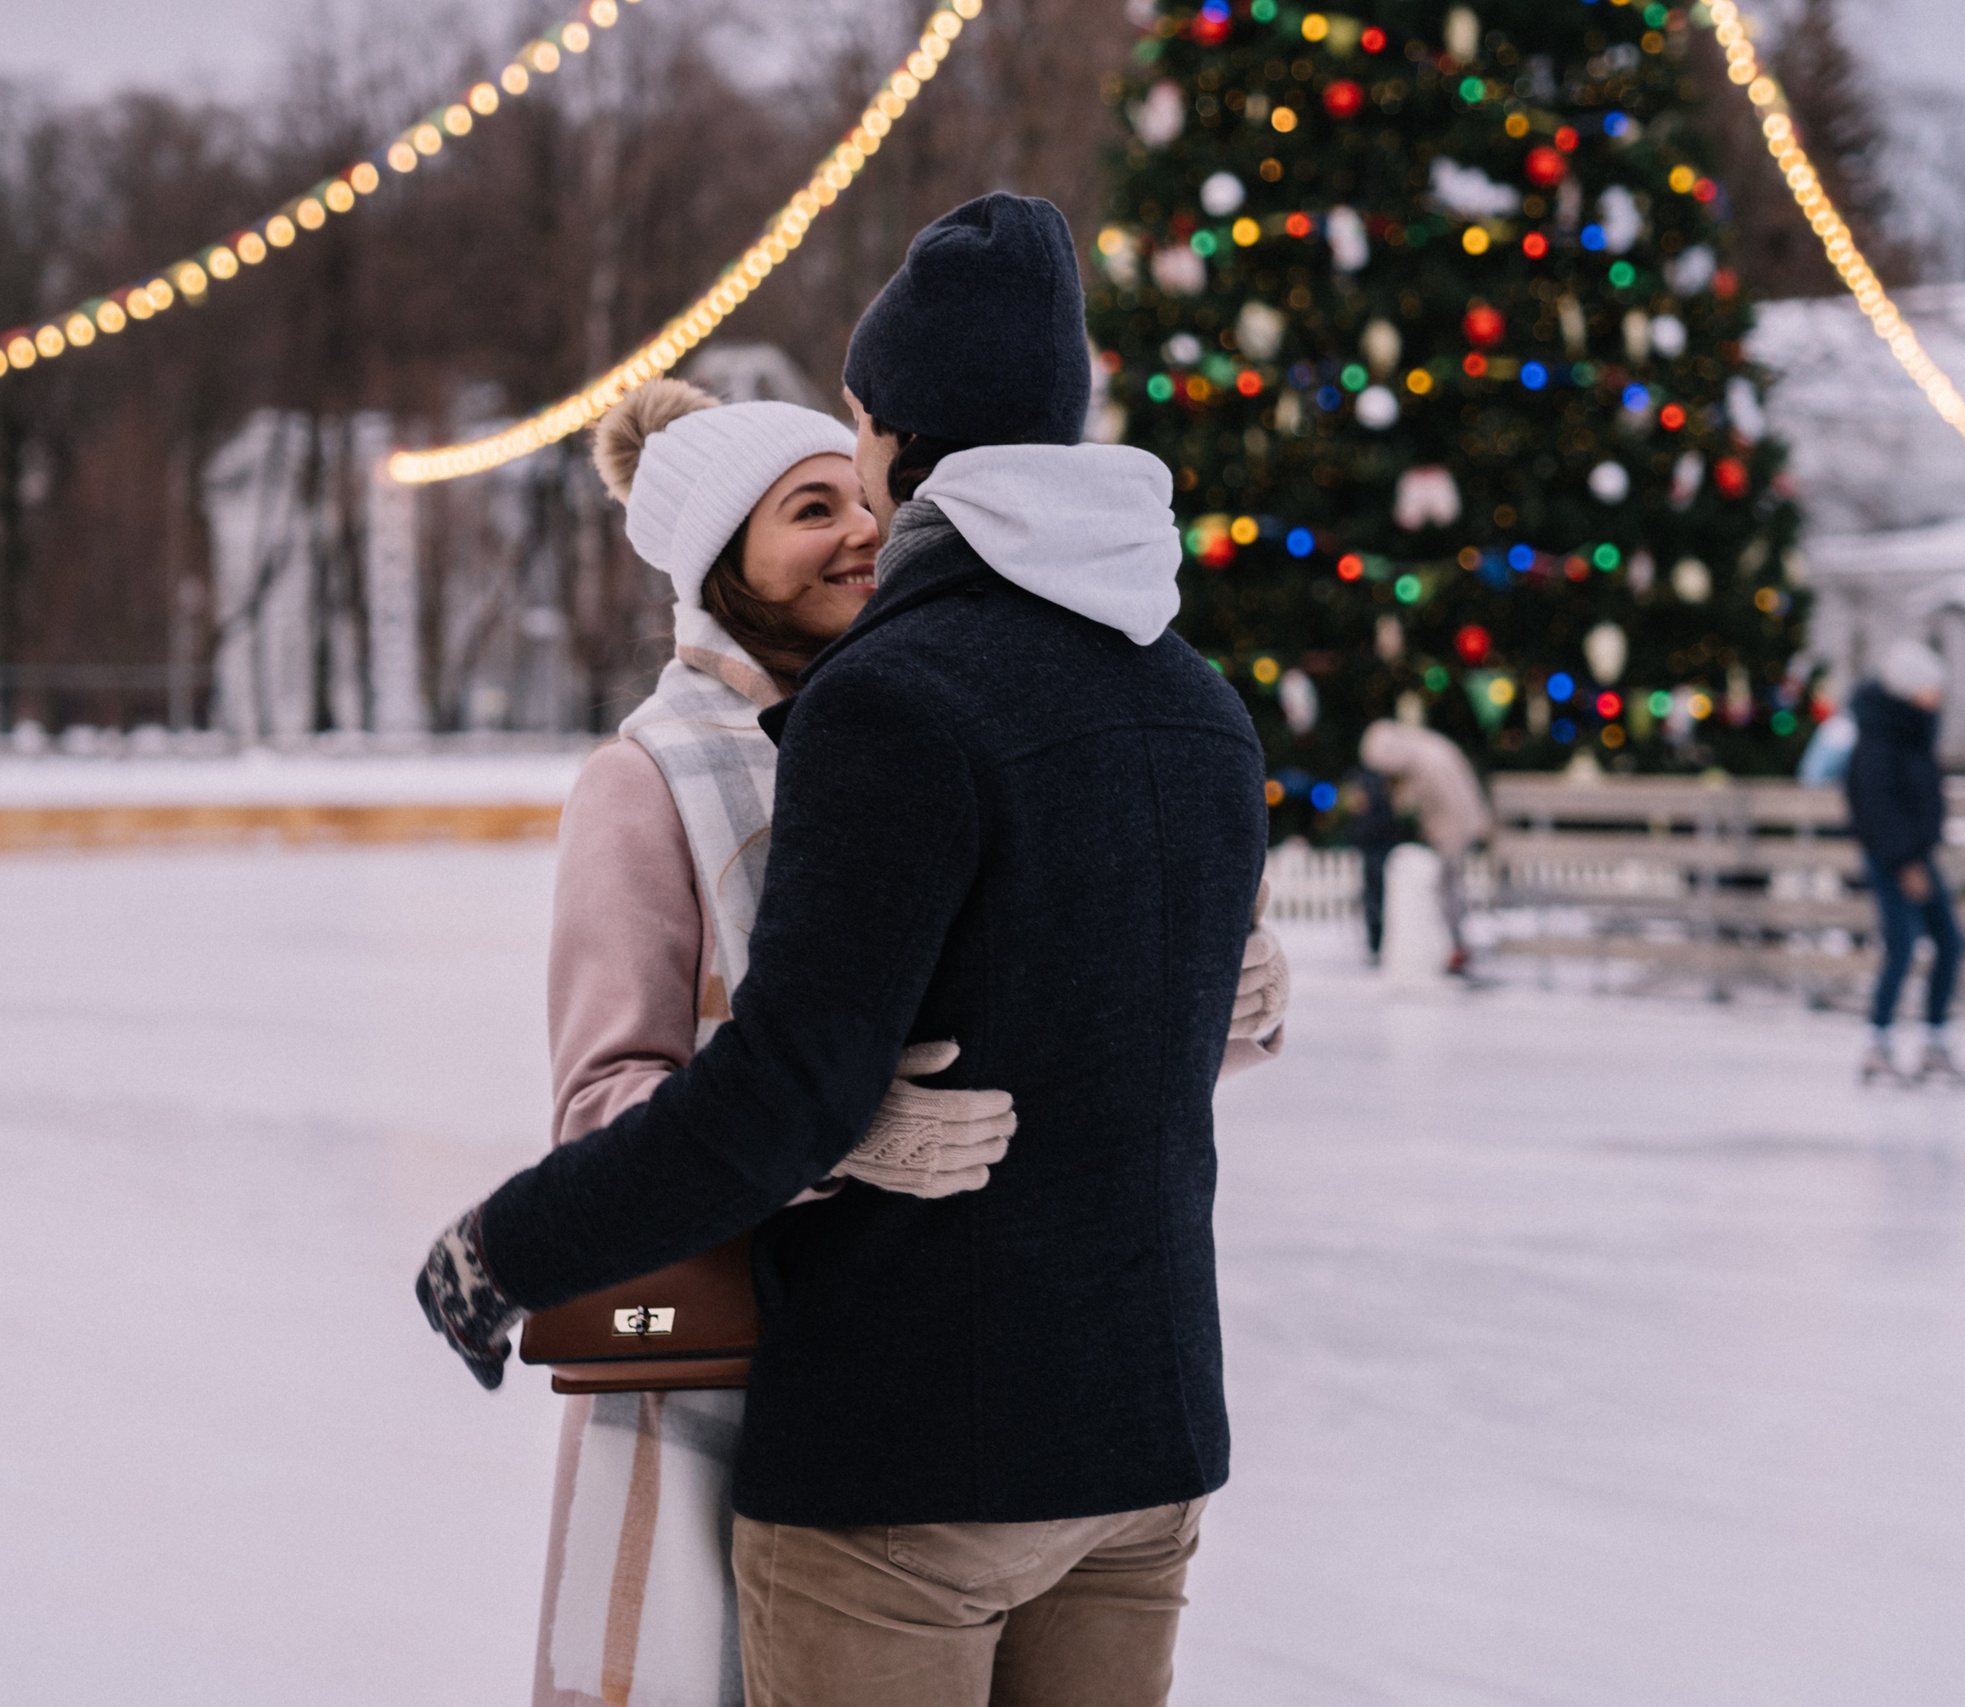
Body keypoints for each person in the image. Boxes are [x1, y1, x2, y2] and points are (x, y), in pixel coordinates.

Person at [417, 193, 1278, 1707]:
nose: (857, 525)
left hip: (917, 1447)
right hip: (1135, 1428)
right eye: (804, 511)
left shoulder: (894, 702)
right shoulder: (1186, 685)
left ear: (884, 421)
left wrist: (510, 1249)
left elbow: (793, 1086)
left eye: (849, 477)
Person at [1844, 638, 1965, 1087]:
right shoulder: (1881, 737)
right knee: (1901, 946)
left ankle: (1934, 1040)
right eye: (1931, 687)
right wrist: (1904, 862)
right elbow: (1874, 808)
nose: (1938, 696)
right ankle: (1876, 1043)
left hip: (1917, 853)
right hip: (1894, 859)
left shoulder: (1913, 730)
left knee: (1950, 943)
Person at [1356, 718, 1494, 974]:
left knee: (1446, 888)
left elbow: (1432, 806)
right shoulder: (1428, 750)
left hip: (1452, 832)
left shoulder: (1423, 762)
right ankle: (1454, 945)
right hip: (1456, 828)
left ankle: (1455, 946)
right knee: (1448, 887)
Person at [1345, 759, 1397, 965]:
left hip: (1376, 850)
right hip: (1376, 849)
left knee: (1376, 899)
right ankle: (1377, 944)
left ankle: (1378, 944)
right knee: (1376, 898)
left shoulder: (1373, 796)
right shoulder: (1380, 792)